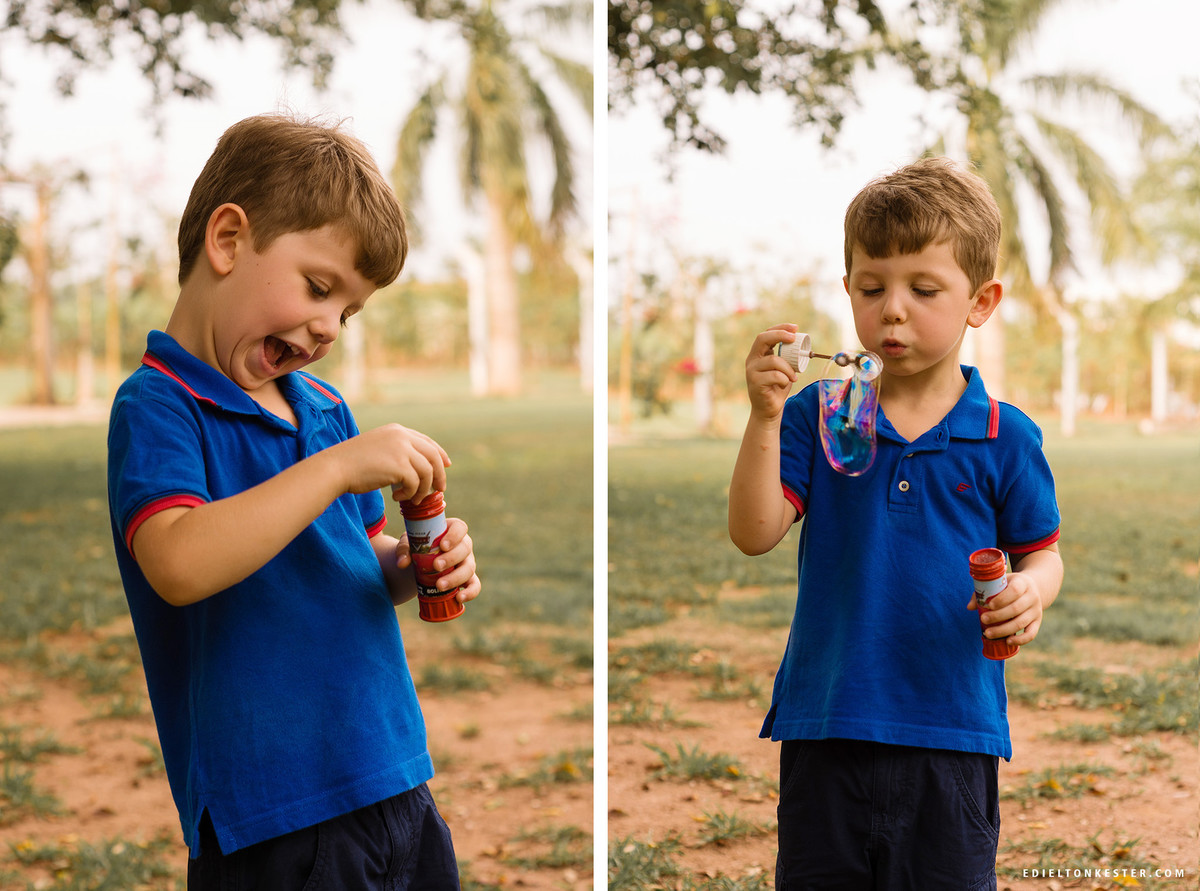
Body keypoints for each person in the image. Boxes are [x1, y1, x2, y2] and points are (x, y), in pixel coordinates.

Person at [106, 113, 481, 889]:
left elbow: (356, 558)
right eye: (319, 287)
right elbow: (177, 560)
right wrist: (338, 468)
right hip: (274, 815)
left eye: (348, 311)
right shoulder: (160, 405)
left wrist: (414, 564)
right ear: (228, 240)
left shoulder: (324, 408)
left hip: (391, 774)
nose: (329, 327)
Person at [728, 157, 1063, 890]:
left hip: (953, 732)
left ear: (980, 301)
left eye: (924, 289)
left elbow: (1043, 553)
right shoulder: (820, 413)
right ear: (848, 289)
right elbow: (754, 531)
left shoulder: (1004, 435)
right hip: (827, 725)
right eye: (872, 288)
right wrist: (764, 417)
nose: (893, 310)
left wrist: (1031, 591)